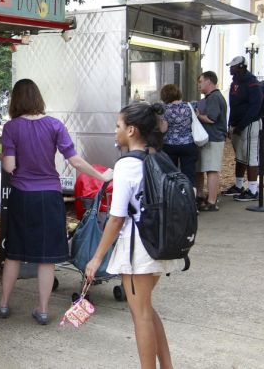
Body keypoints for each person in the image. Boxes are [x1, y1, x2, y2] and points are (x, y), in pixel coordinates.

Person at [0, 78, 112, 325]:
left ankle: (4, 304)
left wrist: (4, 156)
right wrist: (101, 176)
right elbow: (75, 161)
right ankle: (43, 309)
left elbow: (9, 166)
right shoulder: (55, 125)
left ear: (15, 100)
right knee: (46, 257)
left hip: (22, 197)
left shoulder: (11, 128)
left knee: (14, 254)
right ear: (38, 98)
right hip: (49, 195)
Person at [85, 103, 184, 369]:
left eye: (118, 126)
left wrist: (96, 258)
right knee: (147, 310)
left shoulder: (127, 164)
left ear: (131, 130)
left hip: (138, 248)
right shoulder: (157, 157)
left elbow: (116, 218)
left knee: (140, 314)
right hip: (160, 241)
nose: (115, 131)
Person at [221, 56, 264, 201]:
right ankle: (239, 186)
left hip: (249, 124)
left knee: (251, 157)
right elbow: (233, 107)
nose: (230, 69)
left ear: (241, 67)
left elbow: (255, 107)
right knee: (240, 157)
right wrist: (231, 124)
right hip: (237, 124)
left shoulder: (252, 83)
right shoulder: (235, 83)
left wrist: (241, 125)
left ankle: (253, 189)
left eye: (232, 66)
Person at [195, 71, 227, 211]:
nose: (199, 85)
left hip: (213, 138)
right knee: (203, 168)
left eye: (201, 82)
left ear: (209, 81)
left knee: (212, 170)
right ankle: (201, 195)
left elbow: (211, 118)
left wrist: (197, 115)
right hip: (210, 139)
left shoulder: (214, 98)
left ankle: (212, 200)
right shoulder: (212, 97)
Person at [159, 84, 198, 188]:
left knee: (171, 174)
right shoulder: (190, 106)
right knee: (189, 173)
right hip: (188, 143)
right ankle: (190, 199)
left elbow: (163, 129)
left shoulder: (166, 109)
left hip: (170, 145)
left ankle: (173, 197)